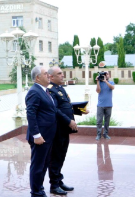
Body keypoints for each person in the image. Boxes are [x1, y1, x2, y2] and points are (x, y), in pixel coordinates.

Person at [47, 66, 87, 195]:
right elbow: (56, 110)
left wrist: (80, 110)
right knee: (56, 156)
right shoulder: (51, 90)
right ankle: (54, 184)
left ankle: (59, 180)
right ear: (51, 77)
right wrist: (69, 121)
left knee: (61, 156)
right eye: (59, 74)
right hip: (58, 128)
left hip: (64, 129)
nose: (62, 75)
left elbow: (66, 106)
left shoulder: (60, 88)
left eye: (62, 73)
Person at [26, 66, 57, 197]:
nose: (49, 75)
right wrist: (36, 135)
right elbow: (31, 114)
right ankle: (36, 192)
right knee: (38, 165)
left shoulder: (44, 90)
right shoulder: (34, 91)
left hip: (48, 136)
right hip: (40, 136)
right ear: (37, 77)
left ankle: (39, 188)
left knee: (43, 165)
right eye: (45, 74)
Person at [95, 71, 115, 140]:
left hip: (109, 105)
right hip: (100, 105)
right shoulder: (99, 83)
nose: (106, 75)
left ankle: (105, 134)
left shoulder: (111, 82)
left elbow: (112, 87)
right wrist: (98, 81)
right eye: (105, 74)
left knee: (107, 121)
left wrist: (106, 81)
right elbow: (98, 91)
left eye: (107, 74)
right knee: (99, 121)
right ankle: (98, 135)